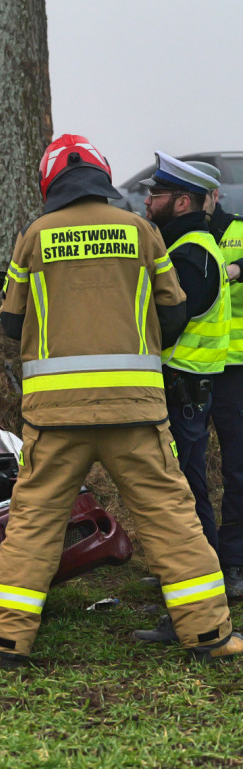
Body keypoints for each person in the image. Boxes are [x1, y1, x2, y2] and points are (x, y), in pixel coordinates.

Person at [0, 134, 241, 667]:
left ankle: (7, 643)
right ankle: (209, 636)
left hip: (54, 419)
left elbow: (10, 323)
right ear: (102, 176)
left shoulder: (35, 235)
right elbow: (174, 310)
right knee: (172, 519)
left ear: (50, 182)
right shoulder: (141, 231)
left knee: (33, 525)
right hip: (136, 412)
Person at [142, 153, 230, 551]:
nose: (146, 201)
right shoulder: (188, 246)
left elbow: (169, 323)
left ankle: (199, 585)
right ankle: (186, 575)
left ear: (181, 202)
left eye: (155, 193)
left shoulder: (190, 256)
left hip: (182, 390)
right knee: (185, 485)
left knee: (185, 492)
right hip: (186, 389)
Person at [190, 161, 243, 598]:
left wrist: (237, 270)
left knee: (237, 469)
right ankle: (195, 561)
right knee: (186, 471)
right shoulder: (181, 238)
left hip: (235, 372)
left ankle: (235, 561)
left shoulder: (238, 233)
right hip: (190, 370)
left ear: (216, 196)